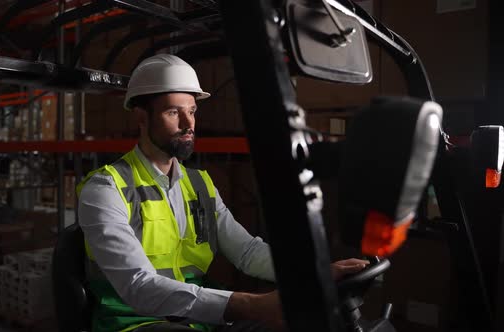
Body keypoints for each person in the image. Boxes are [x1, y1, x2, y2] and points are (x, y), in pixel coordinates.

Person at [77, 54, 369, 332]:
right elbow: (138, 286)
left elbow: (246, 251)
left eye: (192, 111)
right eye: (173, 112)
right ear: (141, 117)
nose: (188, 124)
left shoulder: (200, 184)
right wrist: (251, 305)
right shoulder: (106, 189)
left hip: (196, 318)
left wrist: (315, 273)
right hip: (134, 322)